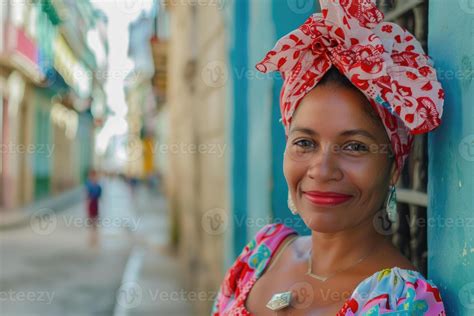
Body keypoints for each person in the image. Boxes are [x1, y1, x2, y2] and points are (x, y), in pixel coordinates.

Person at [212, 0, 446, 314]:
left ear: (393, 165)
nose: (322, 170)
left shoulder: (398, 302)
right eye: (305, 142)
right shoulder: (263, 253)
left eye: (355, 147)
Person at [85, 169, 102, 246]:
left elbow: (99, 192)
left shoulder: (97, 184)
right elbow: (87, 193)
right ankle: (92, 228)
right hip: (91, 201)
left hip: (95, 201)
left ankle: (94, 227)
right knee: (91, 215)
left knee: (95, 214)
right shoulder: (88, 183)